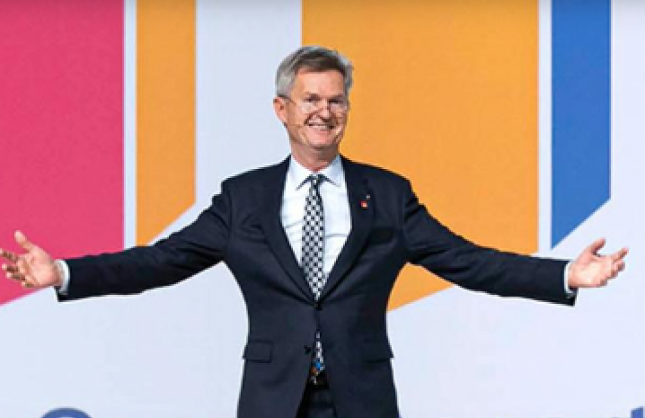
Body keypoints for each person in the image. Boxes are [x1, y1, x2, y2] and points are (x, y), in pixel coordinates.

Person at [1, 46, 628, 418]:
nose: (324, 112)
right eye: (310, 100)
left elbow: (466, 260)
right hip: (274, 399)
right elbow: (161, 261)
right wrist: (65, 273)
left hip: (363, 396)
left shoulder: (388, 195)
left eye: (336, 100)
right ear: (283, 109)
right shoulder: (243, 199)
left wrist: (564, 276)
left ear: (347, 108)